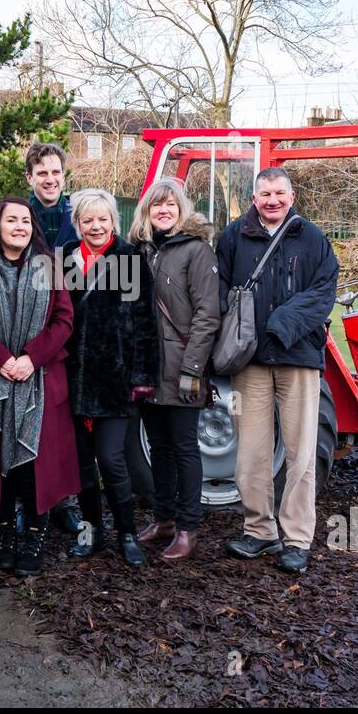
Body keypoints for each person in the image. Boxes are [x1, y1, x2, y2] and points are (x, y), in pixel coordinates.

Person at [215, 168, 338, 574]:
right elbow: (221, 292)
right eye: (265, 193)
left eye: (279, 193)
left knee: (301, 454)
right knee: (250, 452)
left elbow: (323, 292)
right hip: (249, 360)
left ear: (291, 194)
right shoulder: (233, 237)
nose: (272, 200)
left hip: (298, 356)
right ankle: (259, 531)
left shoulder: (312, 238)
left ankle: (297, 538)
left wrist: (281, 324)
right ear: (254, 197)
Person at [0, 197, 79, 575]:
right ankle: (4, 535)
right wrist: (0, 359)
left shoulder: (49, 266)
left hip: (38, 379)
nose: (19, 226)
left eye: (26, 220)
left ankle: (34, 537)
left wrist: (30, 358)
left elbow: (63, 321)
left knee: (34, 466)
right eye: (12, 220)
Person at [61, 188, 159, 568]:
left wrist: (141, 375)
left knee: (113, 461)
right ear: (78, 224)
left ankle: (127, 533)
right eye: (88, 220)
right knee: (82, 465)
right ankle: (90, 532)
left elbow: (145, 322)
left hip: (115, 380)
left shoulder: (129, 259)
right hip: (72, 379)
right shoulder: (65, 261)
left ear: (113, 222)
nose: (96, 226)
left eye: (103, 219)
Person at [129, 177, 220, 561]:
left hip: (183, 365)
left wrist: (193, 369)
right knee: (160, 449)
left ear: (181, 208)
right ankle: (163, 519)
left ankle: (188, 528)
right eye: (156, 205)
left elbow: (207, 315)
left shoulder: (196, 251)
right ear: (146, 213)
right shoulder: (143, 251)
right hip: (150, 370)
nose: (163, 210)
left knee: (184, 448)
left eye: (170, 204)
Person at [24, 141, 83, 536]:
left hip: (73, 332)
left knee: (68, 424)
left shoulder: (78, 217)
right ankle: (29, 502)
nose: (49, 179)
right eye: (42, 173)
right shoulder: (16, 215)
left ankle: (66, 500)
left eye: (55, 173)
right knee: (31, 421)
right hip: (29, 335)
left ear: (64, 176)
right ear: (30, 177)